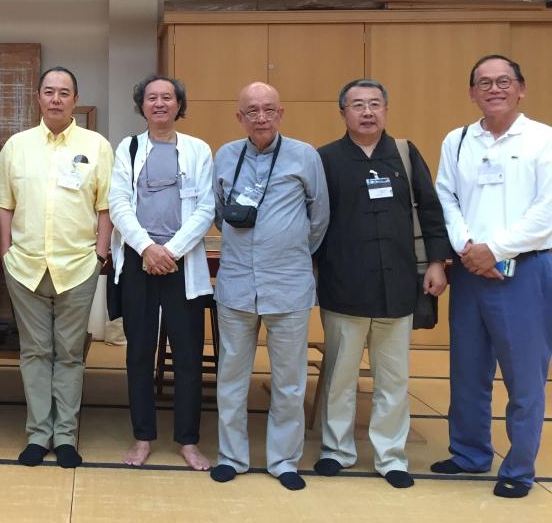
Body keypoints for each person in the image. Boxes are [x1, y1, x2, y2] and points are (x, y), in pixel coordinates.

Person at [314, 78, 449, 488]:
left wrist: (437, 263)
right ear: (343, 112)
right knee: (339, 377)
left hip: (398, 284)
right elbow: (313, 221)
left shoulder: (405, 154)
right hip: (344, 284)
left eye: (375, 104)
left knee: (393, 379)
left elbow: (430, 210)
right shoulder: (325, 159)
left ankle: (391, 456)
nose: (367, 112)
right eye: (358, 105)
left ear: (386, 110)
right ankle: (336, 450)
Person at [432, 54, 552, 499]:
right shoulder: (459, 139)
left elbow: (547, 210)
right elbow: (446, 195)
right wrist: (467, 246)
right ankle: (469, 453)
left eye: (504, 81)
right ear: (472, 92)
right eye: (484, 82)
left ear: (521, 88)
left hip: (525, 270)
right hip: (469, 270)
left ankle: (519, 467)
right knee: (467, 369)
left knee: (524, 375)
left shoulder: (543, 139)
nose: (494, 89)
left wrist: (495, 250)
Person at [210, 82, 329, 491]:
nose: (261, 117)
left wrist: (289, 249)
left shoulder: (304, 156)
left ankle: (284, 460)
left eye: (268, 109)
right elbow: (219, 212)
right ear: (239, 117)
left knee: (290, 380)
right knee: (231, 376)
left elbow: (319, 217)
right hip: (236, 285)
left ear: (281, 113)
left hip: (288, 285)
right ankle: (231, 456)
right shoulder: (225, 156)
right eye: (252, 111)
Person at [0, 66, 113, 468]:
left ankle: (64, 436)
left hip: (78, 266)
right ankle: (37, 434)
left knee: (70, 354)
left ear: (75, 99)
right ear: (38, 97)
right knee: (34, 351)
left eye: (64, 92)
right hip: (25, 266)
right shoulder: (17, 146)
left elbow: (105, 206)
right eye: (49, 91)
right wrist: (6, 252)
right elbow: (4, 204)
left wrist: (99, 256)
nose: (56, 98)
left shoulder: (96, 146)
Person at [108, 75, 215, 470]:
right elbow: (118, 202)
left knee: (187, 354)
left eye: (167, 97)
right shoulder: (129, 147)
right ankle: (143, 438)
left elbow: (207, 207)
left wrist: (170, 251)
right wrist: (147, 248)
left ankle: (188, 440)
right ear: (142, 105)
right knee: (138, 352)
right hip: (140, 261)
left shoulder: (198, 149)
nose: (159, 104)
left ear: (178, 104)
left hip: (181, 263)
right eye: (151, 98)